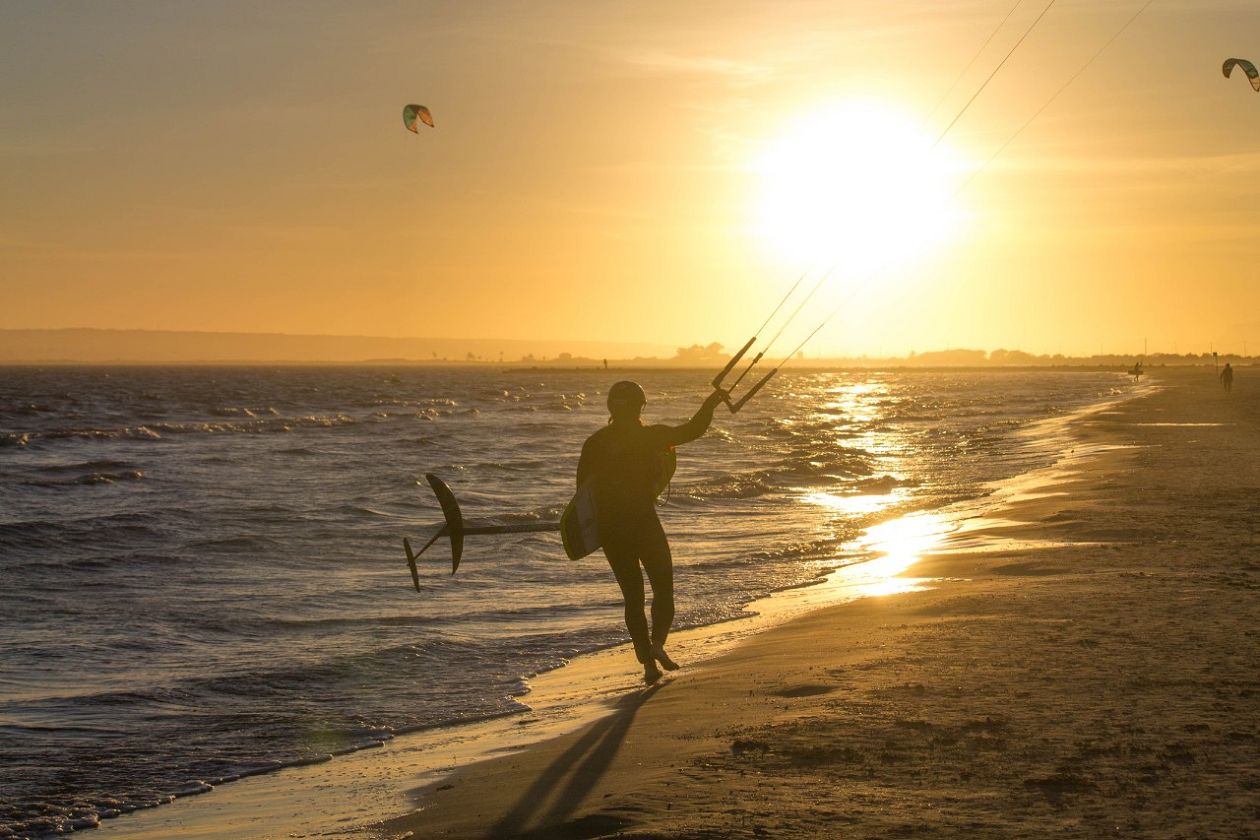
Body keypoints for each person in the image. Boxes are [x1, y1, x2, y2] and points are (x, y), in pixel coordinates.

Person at [577, 381, 727, 685]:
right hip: (643, 522)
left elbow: (582, 495)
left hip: (611, 531)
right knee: (663, 588)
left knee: (632, 597)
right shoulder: (649, 437)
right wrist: (711, 403)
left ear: (610, 407)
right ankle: (658, 644)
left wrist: (588, 531)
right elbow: (692, 430)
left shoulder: (594, 443)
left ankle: (647, 664)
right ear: (639, 407)